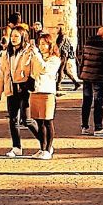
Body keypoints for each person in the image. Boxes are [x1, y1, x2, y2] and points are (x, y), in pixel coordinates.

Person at [0, 25, 35, 157]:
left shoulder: (28, 51)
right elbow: (2, 72)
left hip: (24, 87)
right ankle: (16, 146)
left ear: (22, 37)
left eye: (16, 36)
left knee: (26, 120)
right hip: (11, 87)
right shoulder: (6, 53)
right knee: (13, 119)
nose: (13, 39)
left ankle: (45, 143)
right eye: (12, 36)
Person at [78, 26, 103, 136]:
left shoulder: (88, 44)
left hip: (87, 75)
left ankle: (84, 126)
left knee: (86, 101)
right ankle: (98, 127)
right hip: (99, 76)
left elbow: (83, 60)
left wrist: (82, 72)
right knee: (98, 101)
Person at [30, 32, 61, 160]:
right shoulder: (37, 57)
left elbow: (44, 69)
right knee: (39, 121)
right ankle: (42, 148)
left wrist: (36, 55)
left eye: (44, 44)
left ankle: (48, 148)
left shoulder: (54, 59)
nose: (41, 46)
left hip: (47, 92)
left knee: (47, 121)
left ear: (50, 45)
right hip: (36, 90)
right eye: (40, 44)